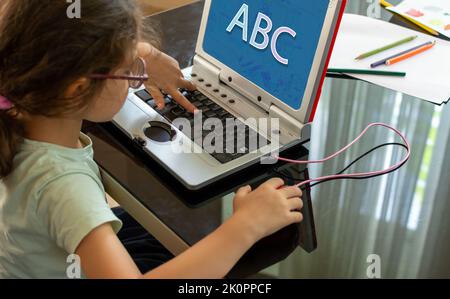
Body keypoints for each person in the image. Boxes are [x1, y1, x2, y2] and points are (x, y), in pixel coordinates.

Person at [0, 0, 303, 279]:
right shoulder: (64, 187)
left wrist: (147, 55)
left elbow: (61, 35)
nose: (139, 76)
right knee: (250, 247)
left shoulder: (21, 100)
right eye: (128, 70)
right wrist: (246, 226)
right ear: (78, 90)